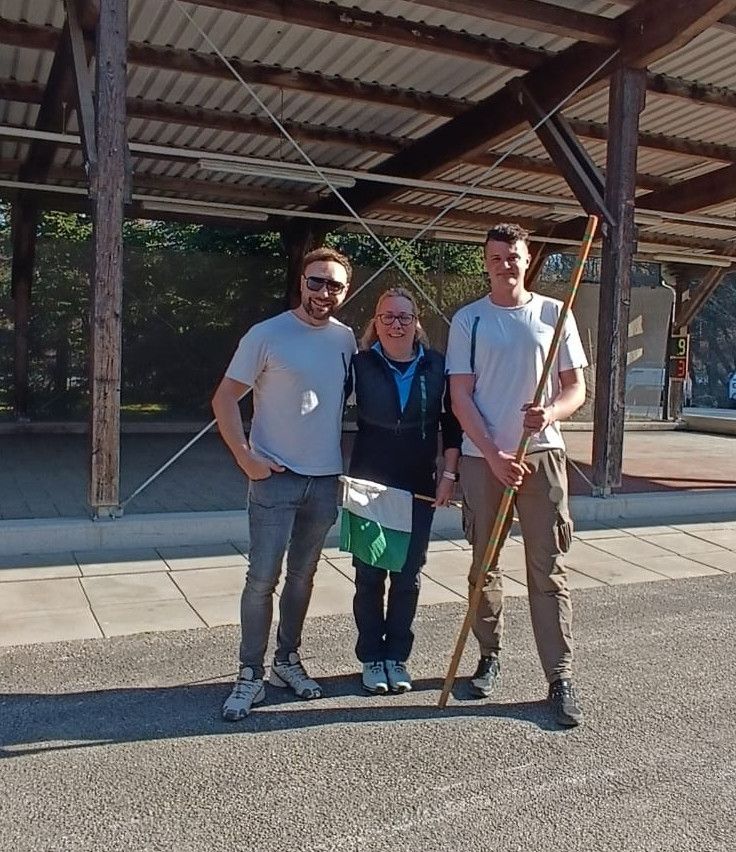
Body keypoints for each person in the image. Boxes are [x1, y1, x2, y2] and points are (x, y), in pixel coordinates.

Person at [446, 223, 587, 727]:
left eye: (514, 256)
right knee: (483, 565)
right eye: (497, 257)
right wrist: (494, 453)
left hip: (542, 455)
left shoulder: (555, 312)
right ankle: (489, 655)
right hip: (485, 459)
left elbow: (576, 389)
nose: (506, 263)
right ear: (486, 262)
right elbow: (460, 396)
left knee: (547, 570)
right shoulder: (471, 320)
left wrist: (549, 412)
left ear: (529, 259)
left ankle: (560, 675)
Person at [212, 247, 357, 721]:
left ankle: (287, 661)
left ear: (345, 290)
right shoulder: (266, 334)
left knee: (303, 578)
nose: (323, 292)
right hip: (274, 479)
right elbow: (225, 399)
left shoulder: (346, 338)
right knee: (262, 579)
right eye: (315, 282)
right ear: (301, 282)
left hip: (323, 479)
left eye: (333, 285)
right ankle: (249, 674)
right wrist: (246, 458)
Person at [347, 288, 461, 694]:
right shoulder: (359, 364)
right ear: (375, 323)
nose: (396, 324)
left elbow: (451, 424)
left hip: (418, 485)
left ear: (417, 323)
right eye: (387, 317)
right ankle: (371, 658)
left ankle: (397, 656)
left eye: (404, 317)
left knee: (408, 574)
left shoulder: (436, 365)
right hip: (369, 485)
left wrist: (448, 475)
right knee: (370, 574)